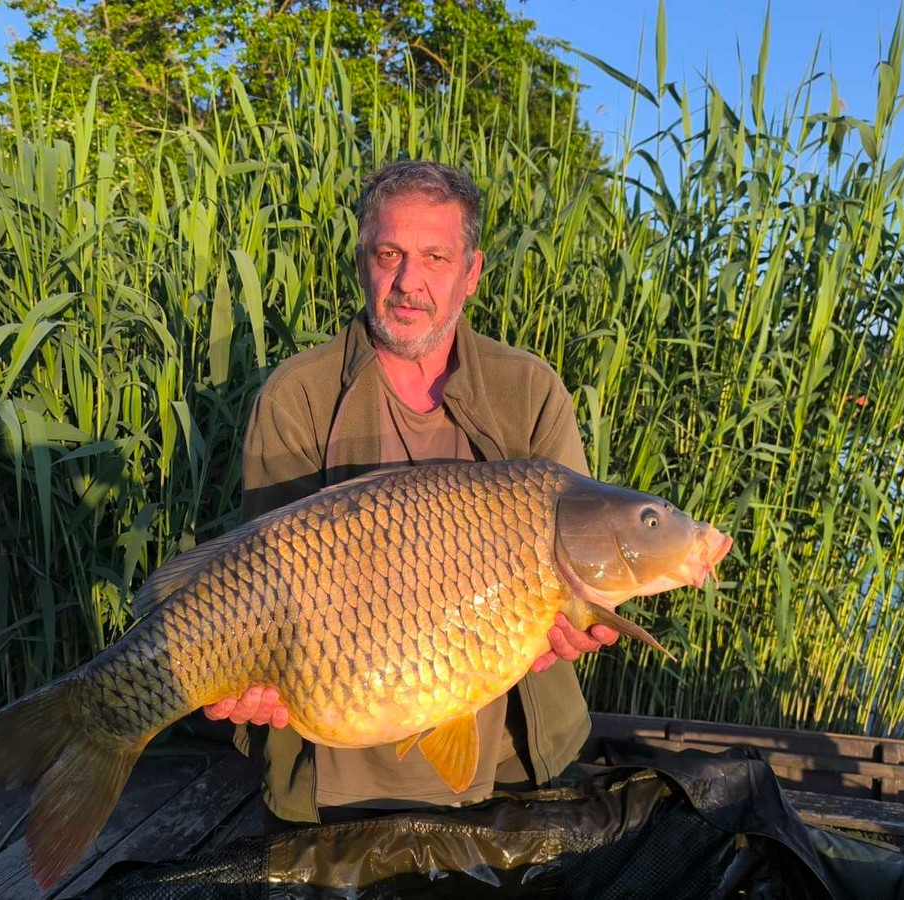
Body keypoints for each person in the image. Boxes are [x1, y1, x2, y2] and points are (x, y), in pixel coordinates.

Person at [204, 160, 618, 826]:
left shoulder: (529, 390)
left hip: (513, 761)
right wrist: (249, 677)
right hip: (340, 764)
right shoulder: (298, 396)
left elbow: (586, 563)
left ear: (470, 273)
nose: (408, 282)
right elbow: (259, 582)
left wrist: (588, 619)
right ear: (362, 262)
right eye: (389, 254)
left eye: (435, 258)